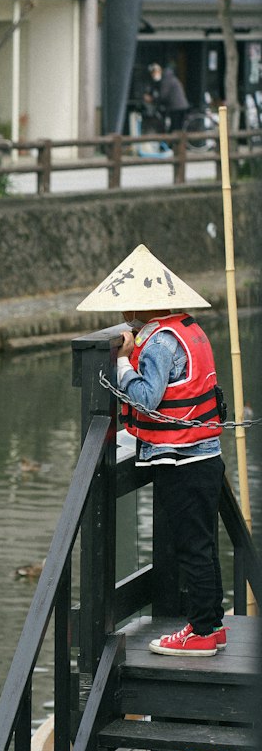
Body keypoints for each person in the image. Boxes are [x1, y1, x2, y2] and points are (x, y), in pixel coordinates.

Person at [76, 243, 226, 655]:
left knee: (190, 546)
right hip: (204, 453)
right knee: (202, 544)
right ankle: (212, 622)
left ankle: (202, 632)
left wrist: (122, 363)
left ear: (131, 311)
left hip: (182, 459)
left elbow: (146, 397)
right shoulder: (188, 328)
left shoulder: (159, 343)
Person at [148, 62, 189, 133]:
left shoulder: (166, 79)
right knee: (176, 127)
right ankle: (176, 142)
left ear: (159, 71)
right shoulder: (170, 77)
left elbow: (163, 95)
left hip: (176, 107)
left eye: (154, 73)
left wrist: (152, 99)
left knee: (175, 127)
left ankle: (176, 142)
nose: (153, 75)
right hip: (180, 106)